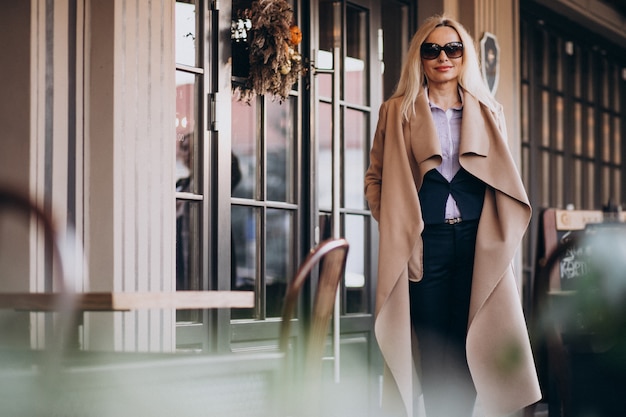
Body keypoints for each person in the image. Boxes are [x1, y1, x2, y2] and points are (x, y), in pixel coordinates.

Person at [364, 15, 541, 417]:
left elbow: (504, 181)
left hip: (479, 243)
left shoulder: (489, 112)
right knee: (432, 342)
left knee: (474, 338)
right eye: (432, 50)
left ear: (464, 56)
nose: (443, 57)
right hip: (425, 245)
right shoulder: (396, 112)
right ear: (420, 58)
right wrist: (393, 223)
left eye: (452, 48)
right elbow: (375, 178)